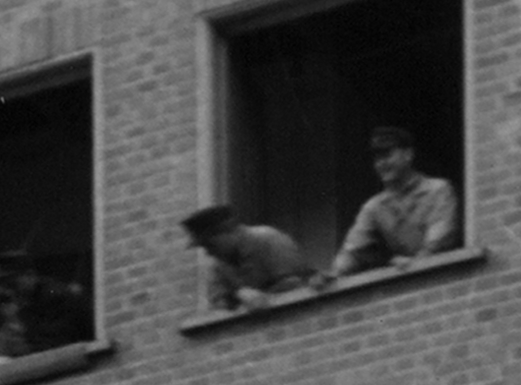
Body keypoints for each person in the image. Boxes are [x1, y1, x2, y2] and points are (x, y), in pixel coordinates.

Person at [330, 127, 458, 278]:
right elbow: (352, 252)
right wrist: (334, 274)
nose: (381, 164)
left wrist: (410, 264)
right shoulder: (374, 207)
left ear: (408, 155)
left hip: (442, 281)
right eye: (377, 159)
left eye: (387, 155)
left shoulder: (438, 190)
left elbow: (437, 244)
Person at [181, 205, 319, 312]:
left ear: (227, 233)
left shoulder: (268, 239)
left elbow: (295, 284)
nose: (209, 252)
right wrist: (239, 295)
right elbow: (218, 307)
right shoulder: (219, 265)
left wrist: (260, 297)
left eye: (210, 244)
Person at [0, 251, 95, 358]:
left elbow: (54, 349)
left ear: (30, 275)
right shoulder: (20, 302)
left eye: (12, 284)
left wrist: (20, 326)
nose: (9, 290)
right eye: (3, 285)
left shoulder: (55, 297)